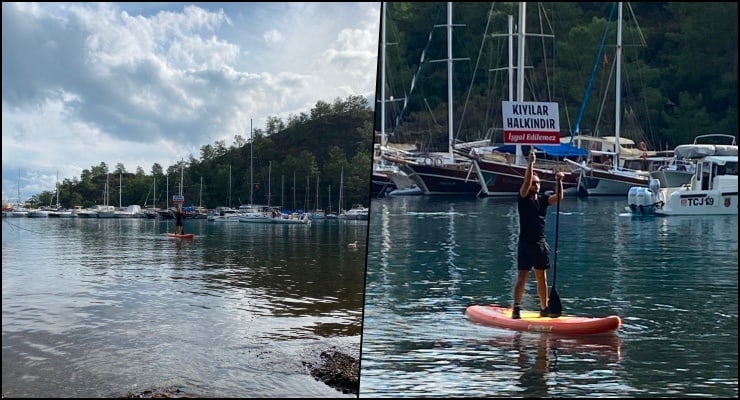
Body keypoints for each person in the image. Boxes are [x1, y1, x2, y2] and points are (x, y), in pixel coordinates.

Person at [512, 150, 564, 319]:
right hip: (526, 244)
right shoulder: (523, 198)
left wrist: (559, 181)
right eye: (534, 183)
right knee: (522, 277)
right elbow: (525, 184)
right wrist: (531, 163)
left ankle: (544, 307)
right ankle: (516, 307)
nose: (536, 186)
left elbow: (559, 198)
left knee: (542, 277)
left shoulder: (542, 200)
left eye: (538, 183)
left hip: (540, 245)